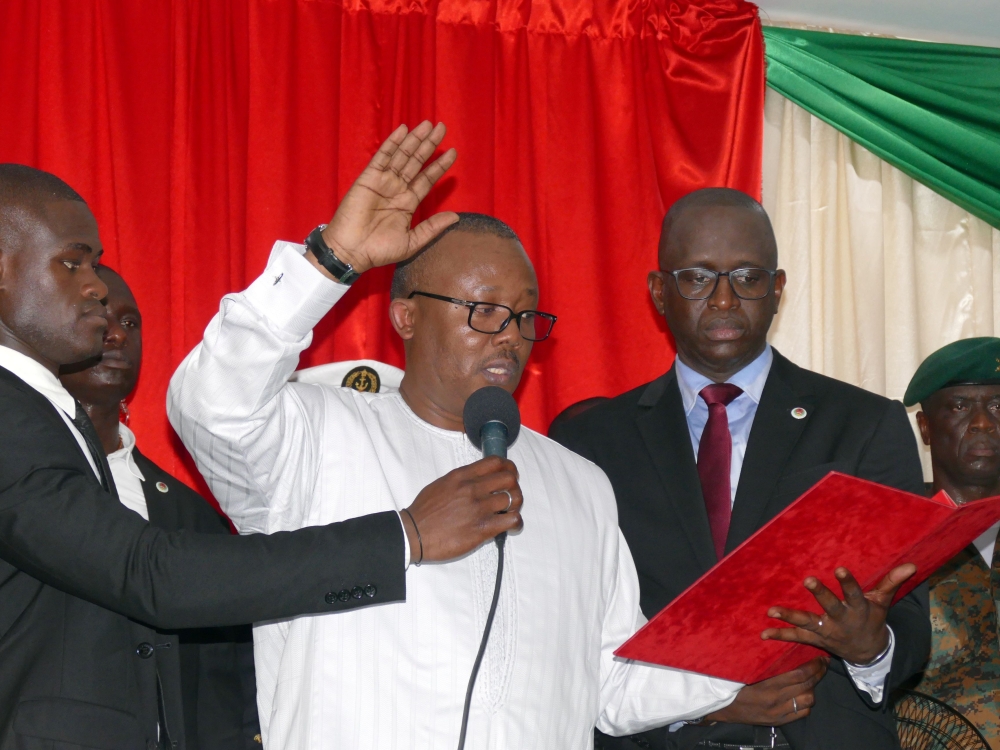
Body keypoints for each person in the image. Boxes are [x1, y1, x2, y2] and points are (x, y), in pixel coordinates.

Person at [167, 123, 745, 749]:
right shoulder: (318, 432)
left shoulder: (580, 484)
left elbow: (613, 684)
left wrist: (754, 638)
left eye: (524, 315)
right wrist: (330, 260)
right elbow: (212, 407)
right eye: (484, 311)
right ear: (406, 316)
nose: (511, 336)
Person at [0, 158, 521, 747]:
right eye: (72, 263)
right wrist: (405, 536)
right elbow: (154, 576)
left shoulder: (44, 413)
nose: (96, 285)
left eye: (94, 263)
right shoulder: (10, 412)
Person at [550, 188, 931, 750]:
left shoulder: (866, 425)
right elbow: (569, 638)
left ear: (777, 290)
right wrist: (705, 703)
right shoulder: (590, 443)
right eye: (698, 278)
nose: (725, 299)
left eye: (748, 277)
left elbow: (910, 625)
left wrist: (870, 648)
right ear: (659, 292)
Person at [58, 265, 262, 748]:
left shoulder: (190, 515)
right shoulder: (22, 484)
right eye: (97, 315)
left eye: (130, 323)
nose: (116, 334)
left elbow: (224, 680)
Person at [904, 337, 1000, 747]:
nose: (983, 423)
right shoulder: (892, 538)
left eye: (998, 407)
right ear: (925, 428)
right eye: (960, 407)